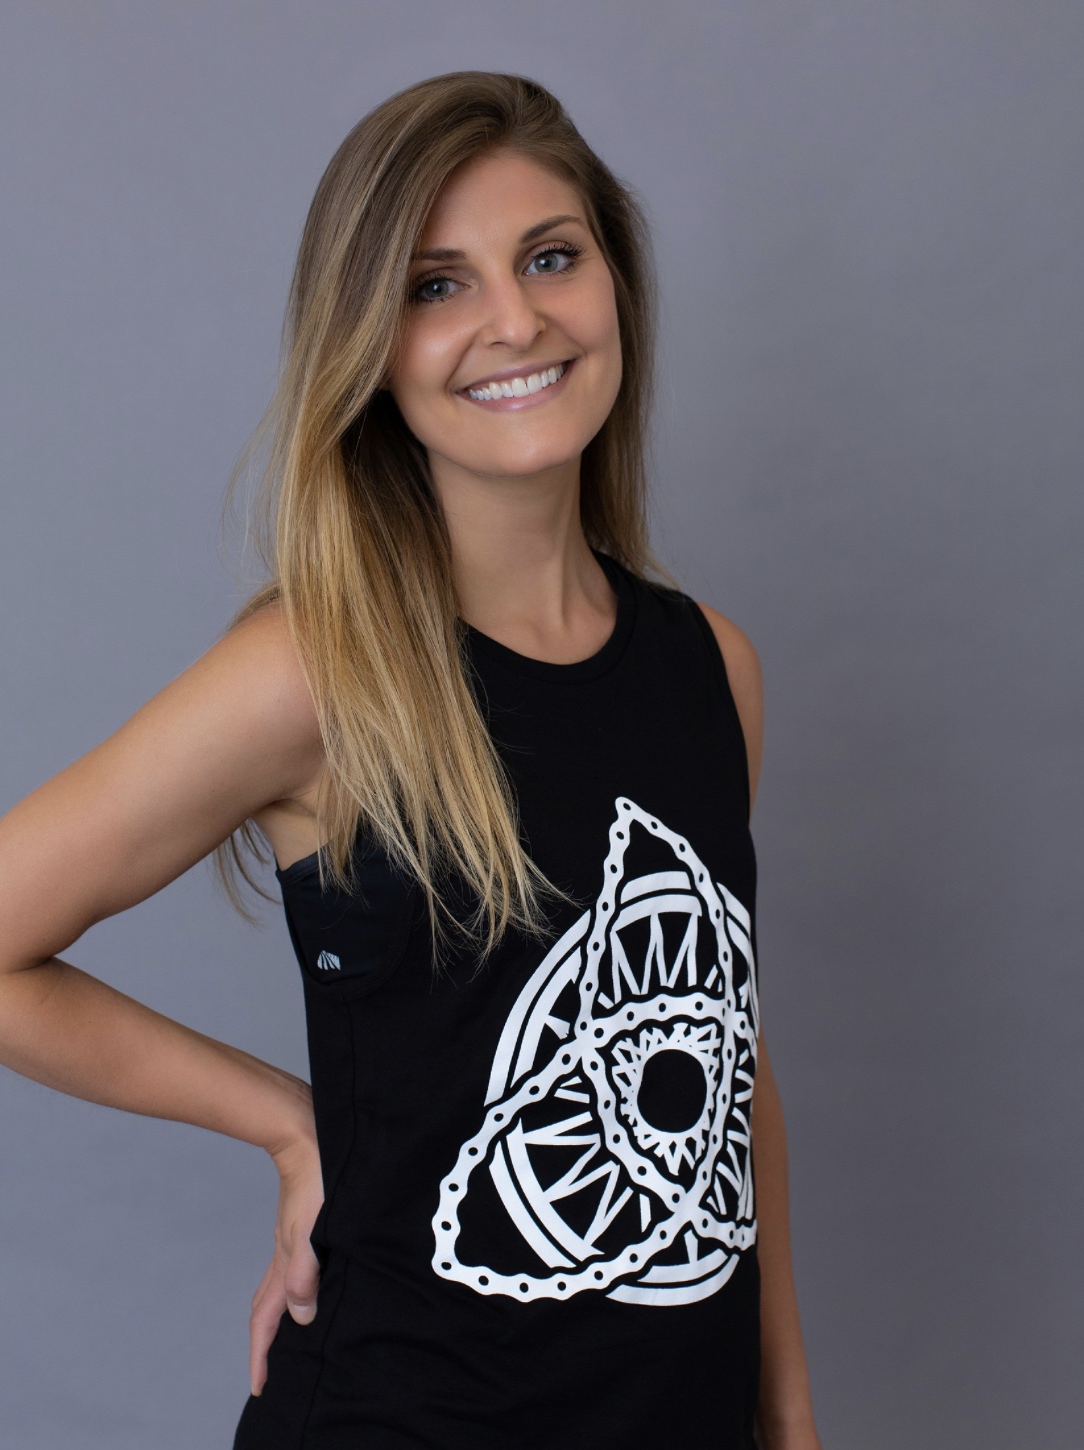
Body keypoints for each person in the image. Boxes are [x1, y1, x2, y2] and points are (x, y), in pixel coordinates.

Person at [0, 72, 822, 1449]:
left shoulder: (711, 669)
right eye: (438, 286)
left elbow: (728, 1055)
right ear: (369, 348)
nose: (516, 320)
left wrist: (786, 1411)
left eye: (550, 257)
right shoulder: (317, 673)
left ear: (615, 285)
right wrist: (285, 1122)